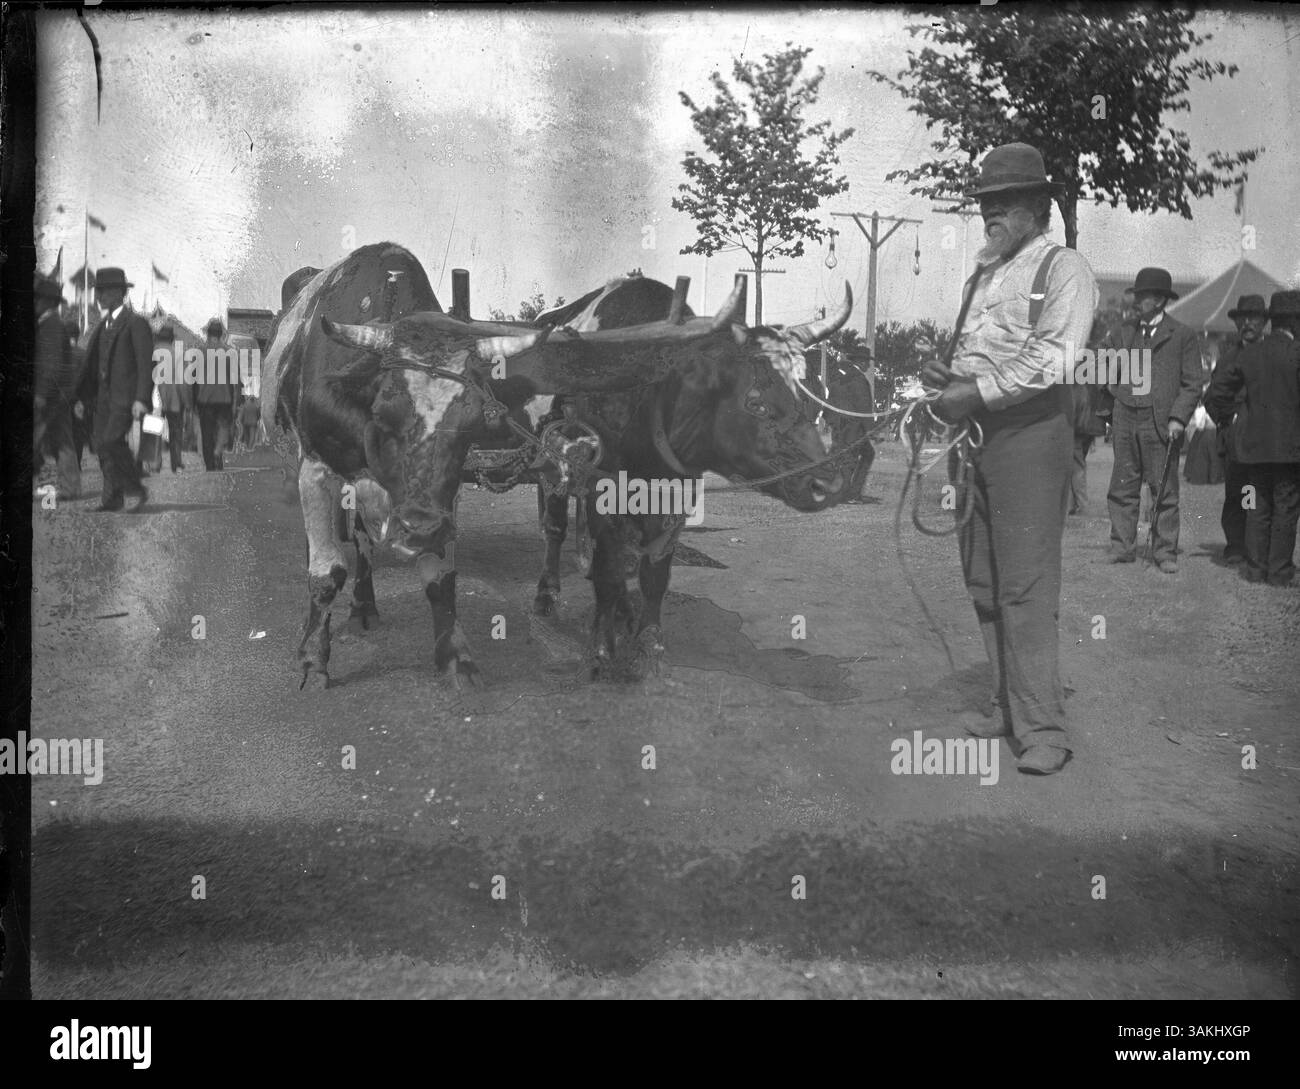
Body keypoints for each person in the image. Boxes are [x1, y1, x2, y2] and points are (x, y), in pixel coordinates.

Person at [922, 142, 1098, 776]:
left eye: (1004, 202)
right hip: (972, 439)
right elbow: (980, 358)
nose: (991, 213)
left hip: (1029, 436)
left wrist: (976, 390)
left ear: (1037, 207)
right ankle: (1004, 706)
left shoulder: (1064, 269)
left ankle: (1044, 728)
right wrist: (951, 376)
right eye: (985, 203)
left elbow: (1055, 358)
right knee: (982, 580)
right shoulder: (984, 273)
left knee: (1024, 584)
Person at [1101, 267, 1202, 572]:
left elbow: (1192, 383)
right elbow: (1103, 367)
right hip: (1125, 420)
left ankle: (1164, 552)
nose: (1137, 301)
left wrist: (1178, 419)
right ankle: (1122, 546)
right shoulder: (1122, 331)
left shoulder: (1182, 335)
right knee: (1122, 487)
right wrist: (1113, 397)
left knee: (1164, 490)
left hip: (1160, 423)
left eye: (1143, 296)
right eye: (1138, 294)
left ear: (1159, 300)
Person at [1205, 291, 1300, 586]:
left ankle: (1257, 569)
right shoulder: (1296, 352)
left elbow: (1215, 395)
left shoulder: (1249, 354)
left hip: (1252, 447)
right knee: (1284, 506)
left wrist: (1228, 422)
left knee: (1257, 506)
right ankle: (1280, 570)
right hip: (1289, 447)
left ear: (1272, 321)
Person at [73, 267, 152, 512]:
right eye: (98, 291)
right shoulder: (101, 326)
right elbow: (93, 366)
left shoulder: (136, 323)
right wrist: (84, 399)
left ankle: (136, 489)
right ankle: (112, 498)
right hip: (102, 399)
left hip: (125, 399)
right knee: (101, 447)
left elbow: (144, 364)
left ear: (120, 292)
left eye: (105, 291)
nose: (99, 296)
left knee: (110, 442)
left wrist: (141, 398)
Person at [1215, 295, 1268, 564]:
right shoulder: (1228, 357)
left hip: (1267, 438)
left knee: (1259, 494)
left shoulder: (1273, 352)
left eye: (1254, 318)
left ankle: (1256, 546)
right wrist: (1229, 420)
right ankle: (1236, 544)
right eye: (1242, 319)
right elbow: (1213, 397)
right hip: (1236, 437)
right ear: (1236, 323)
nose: (1248, 323)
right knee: (1237, 492)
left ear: (1264, 323)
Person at [33, 275, 82, 501]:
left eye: (37, 299)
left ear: (46, 302)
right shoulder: (53, 324)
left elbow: (50, 364)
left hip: (50, 396)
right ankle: (70, 487)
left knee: (37, 440)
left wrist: (41, 393)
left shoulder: (50, 325)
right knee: (62, 441)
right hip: (59, 395)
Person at [195, 318, 239, 470]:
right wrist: (235, 401)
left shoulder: (200, 351)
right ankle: (217, 453)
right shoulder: (229, 352)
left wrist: (194, 401)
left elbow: (193, 379)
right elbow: (235, 381)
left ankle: (210, 465)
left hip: (204, 398)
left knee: (207, 432)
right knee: (223, 427)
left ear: (208, 334)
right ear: (221, 334)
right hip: (224, 397)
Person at [154, 324, 191, 472]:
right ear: (171, 340)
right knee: (176, 432)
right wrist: (187, 402)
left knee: (154, 430)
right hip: (175, 400)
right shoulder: (178, 356)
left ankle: (154, 462)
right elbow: (184, 383)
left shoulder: (150, 354)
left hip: (154, 399)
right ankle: (176, 462)